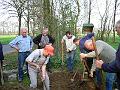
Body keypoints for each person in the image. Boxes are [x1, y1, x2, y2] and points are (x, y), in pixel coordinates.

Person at [95, 20, 120, 90]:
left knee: (109, 80)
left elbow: (117, 65)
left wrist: (103, 66)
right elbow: (95, 59)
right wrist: (92, 71)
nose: (115, 30)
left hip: (113, 61)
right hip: (112, 63)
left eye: (116, 28)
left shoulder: (98, 44)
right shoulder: (95, 47)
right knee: (114, 79)